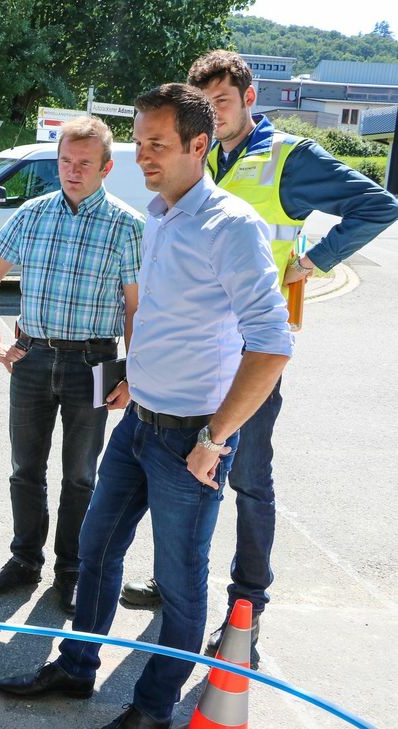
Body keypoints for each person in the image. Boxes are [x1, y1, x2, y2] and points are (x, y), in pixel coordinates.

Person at [0, 84, 293, 729]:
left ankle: (153, 708)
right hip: (138, 423)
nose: (144, 156)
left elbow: (270, 346)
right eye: (139, 142)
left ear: (198, 144)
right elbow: (159, 319)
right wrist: (131, 372)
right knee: (98, 551)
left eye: (157, 145)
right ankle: (76, 669)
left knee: (181, 585)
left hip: (191, 439)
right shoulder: (159, 214)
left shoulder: (229, 225)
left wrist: (216, 438)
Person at [120, 50, 398, 667]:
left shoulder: (289, 159)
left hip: (254, 355)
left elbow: (379, 204)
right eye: (204, 106)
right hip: (198, 350)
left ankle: (245, 610)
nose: (213, 116)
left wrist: (315, 261)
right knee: (182, 478)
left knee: (246, 480)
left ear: (250, 98)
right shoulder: (203, 156)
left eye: (222, 102)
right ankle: (176, 587)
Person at [0, 115, 143, 615]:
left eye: (84, 164)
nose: (73, 171)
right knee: (25, 468)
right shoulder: (32, 214)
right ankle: (25, 559)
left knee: (80, 474)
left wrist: (132, 371)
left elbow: (137, 309)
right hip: (32, 355)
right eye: (66, 161)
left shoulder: (127, 225)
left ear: (106, 168)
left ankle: (70, 568)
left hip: (95, 360)